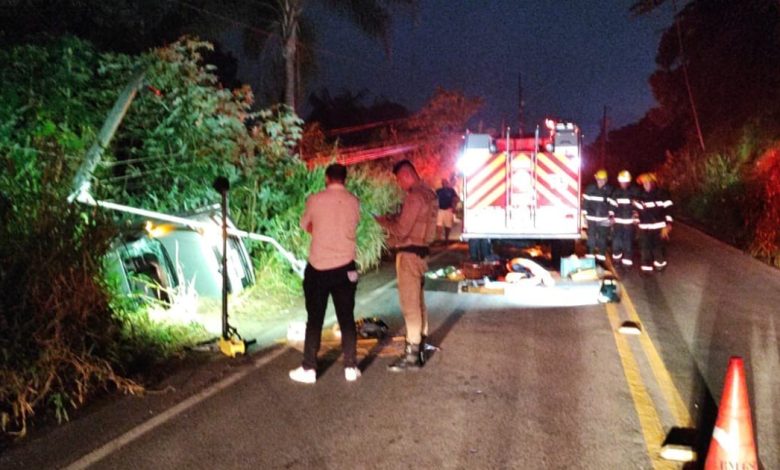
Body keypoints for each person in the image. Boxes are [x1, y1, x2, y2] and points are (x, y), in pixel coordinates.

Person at [289, 163, 361, 384]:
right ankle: (350, 367)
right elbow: (353, 225)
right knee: (346, 318)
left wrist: (320, 231)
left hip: (319, 268)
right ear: (345, 179)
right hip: (345, 267)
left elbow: (306, 225)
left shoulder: (315, 199)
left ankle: (309, 367)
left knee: (315, 319)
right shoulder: (353, 201)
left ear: (327, 178)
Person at [375, 160, 438, 371]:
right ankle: (420, 345)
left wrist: (381, 221)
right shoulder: (430, 194)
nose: (399, 185)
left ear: (406, 175)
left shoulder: (415, 196)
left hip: (409, 255)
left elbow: (402, 230)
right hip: (421, 254)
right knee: (418, 303)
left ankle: (412, 355)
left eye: (399, 180)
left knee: (410, 306)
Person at [633, 173, 673, 274]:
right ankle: (646, 269)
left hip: (658, 228)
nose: (645, 185)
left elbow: (669, 210)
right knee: (645, 249)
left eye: (647, 183)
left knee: (657, 248)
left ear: (653, 183)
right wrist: (636, 223)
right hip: (644, 228)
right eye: (644, 183)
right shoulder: (640, 196)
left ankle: (660, 265)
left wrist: (668, 225)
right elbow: (636, 212)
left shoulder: (661, 195)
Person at [608, 170, 640, 268]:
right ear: (619, 182)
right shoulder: (616, 192)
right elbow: (612, 206)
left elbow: (638, 207)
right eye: (622, 182)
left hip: (629, 223)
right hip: (618, 222)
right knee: (616, 243)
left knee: (628, 244)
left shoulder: (634, 192)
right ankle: (617, 261)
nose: (623, 184)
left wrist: (636, 218)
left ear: (629, 181)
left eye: (625, 182)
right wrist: (611, 217)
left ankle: (627, 263)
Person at [582, 169, 614, 261]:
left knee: (602, 237)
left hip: (604, 218)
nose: (600, 181)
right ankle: (590, 255)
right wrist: (584, 216)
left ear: (606, 180)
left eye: (602, 180)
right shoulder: (590, 188)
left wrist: (611, 216)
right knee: (591, 237)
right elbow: (585, 203)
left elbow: (612, 204)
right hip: (591, 217)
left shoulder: (610, 190)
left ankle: (601, 256)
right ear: (596, 179)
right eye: (599, 179)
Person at [435, 177, 459, 242]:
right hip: (440, 210)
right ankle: (438, 239)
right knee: (439, 224)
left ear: (447, 183)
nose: (444, 183)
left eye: (445, 182)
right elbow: (434, 199)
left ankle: (446, 238)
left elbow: (456, 198)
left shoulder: (451, 190)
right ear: (442, 184)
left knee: (448, 225)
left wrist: (454, 206)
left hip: (448, 210)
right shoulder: (438, 191)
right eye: (443, 182)